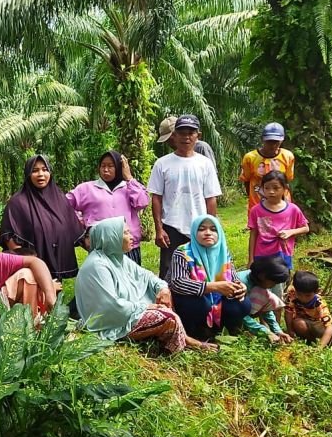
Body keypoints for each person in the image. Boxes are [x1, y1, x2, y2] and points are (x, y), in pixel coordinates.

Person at [75, 217, 215, 353]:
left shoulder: (117, 258)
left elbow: (147, 276)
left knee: (164, 296)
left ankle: (184, 340)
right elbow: (111, 307)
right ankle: (178, 349)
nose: (132, 237)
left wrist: (163, 289)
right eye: (125, 233)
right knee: (168, 318)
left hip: (128, 311)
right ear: (111, 237)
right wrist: (146, 306)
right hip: (109, 323)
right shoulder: (97, 266)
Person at [148, 115, 222, 278]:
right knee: (169, 274)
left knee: (201, 270)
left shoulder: (205, 164)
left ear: (198, 136)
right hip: (171, 227)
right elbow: (156, 198)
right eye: (182, 133)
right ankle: (169, 304)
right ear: (174, 135)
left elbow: (211, 198)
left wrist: (212, 227)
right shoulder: (162, 164)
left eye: (191, 132)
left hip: (199, 227)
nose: (186, 137)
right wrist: (159, 229)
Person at [0, 154, 84, 278]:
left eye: (45, 170)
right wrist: (27, 263)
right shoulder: (18, 202)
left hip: (57, 263)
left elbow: (74, 228)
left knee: (54, 296)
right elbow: (10, 237)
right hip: (30, 270)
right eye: (35, 170)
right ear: (28, 174)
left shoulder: (60, 199)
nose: (40, 174)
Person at [167, 215, 250, 340]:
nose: (208, 233)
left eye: (213, 229)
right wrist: (213, 287)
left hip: (217, 297)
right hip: (189, 297)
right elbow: (177, 283)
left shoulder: (223, 251)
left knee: (243, 304)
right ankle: (195, 332)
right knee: (201, 305)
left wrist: (240, 286)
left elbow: (232, 277)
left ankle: (223, 329)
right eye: (202, 229)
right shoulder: (182, 252)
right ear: (194, 232)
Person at [67, 150, 149, 264]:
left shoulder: (129, 187)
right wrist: (81, 226)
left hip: (128, 247)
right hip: (101, 247)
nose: (106, 170)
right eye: (103, 166)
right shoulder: (86, 188)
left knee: (130, 280)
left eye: (111, 166)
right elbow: (65, 205)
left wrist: (129, 178)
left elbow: (142, 202)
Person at [239, 122, 295, 212]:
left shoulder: (287, 156)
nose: (273, 145)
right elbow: (246, 180)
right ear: (262, 140)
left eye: (276, 142)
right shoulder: (250, 158)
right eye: (269, 142)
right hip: (258, 203)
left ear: (282, 141)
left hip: (282, 205)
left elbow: (287, 180)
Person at [236, 257, 294, 344]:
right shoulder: (240, 283)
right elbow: (240, 314)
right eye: (273, 282)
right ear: (262, 276)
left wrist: (278, 331)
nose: (273, 286)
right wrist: (266, 332)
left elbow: (266, 309)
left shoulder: (261, 283)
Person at [285, 270, 332, 349]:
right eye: (299, 294)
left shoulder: (319, 303)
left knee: (330, 334)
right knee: (298, 323)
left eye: (307, 295)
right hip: (305, 323)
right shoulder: (292, 294)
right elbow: (288, 312)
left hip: (320, 325)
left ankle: (322, 343)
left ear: (317, 291)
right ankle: (311, 341)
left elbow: (329, 327)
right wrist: (290, 330)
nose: (303, 298)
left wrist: (319, 349)